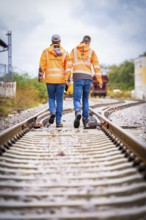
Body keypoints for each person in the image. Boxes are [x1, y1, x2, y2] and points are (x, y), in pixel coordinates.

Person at [65, 35, 102, 128]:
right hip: (88, 78)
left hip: (77, 77)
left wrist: (67, 78)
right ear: (89, 42)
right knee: (85, 99)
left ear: (81, 41)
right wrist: (99, 80)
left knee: (77, 99)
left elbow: (69, 65)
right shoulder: (92, 52)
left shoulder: (74, 50)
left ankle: (78, 111)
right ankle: (85, 120)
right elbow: (96, 67)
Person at [38, 34, 68, 127]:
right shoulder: (65, 52)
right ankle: (58, 122)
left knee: (51, 98)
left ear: (51, 41)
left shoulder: (46, 51)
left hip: (50, 79)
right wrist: (67, 79)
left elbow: (41, 66)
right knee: (59, 100)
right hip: (61, 80)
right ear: (60, 41)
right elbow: (68, 68)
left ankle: (52, 112)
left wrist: (40, 77)